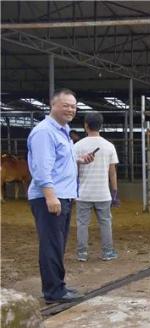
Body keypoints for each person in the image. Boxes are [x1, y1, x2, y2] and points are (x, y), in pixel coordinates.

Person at [27, 88, 94, 303]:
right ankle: (53, 292)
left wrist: (80, 160)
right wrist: (50, 196)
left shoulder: (62, 131)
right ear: (53, 105)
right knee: (51, 244)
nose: (70, 110)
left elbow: (58, 162)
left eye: (73, 106)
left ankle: (59, 286)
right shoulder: (44, 132)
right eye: (65, 105)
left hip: (62, 196)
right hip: (50, 197)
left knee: (57, 244)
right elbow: (41, 168)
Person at [74, 112, 120, 262]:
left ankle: (82, 253)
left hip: (83, 193)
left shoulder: (77, 146)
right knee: (105, 222)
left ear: (85, 125)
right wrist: (115, 192)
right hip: (103, 194)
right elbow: (112, 173)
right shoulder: (109, 146)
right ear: (101, 126)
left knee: (82, 223)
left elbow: (73, 171)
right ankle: (107, 252)